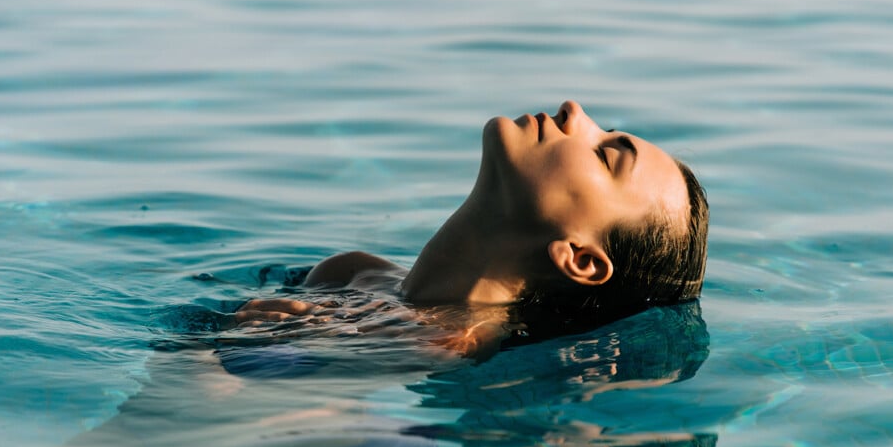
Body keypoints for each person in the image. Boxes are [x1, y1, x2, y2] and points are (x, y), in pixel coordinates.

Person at [233, 100, 708, 358]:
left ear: (579, 258)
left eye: (605, 155)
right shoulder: (350, 271)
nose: (573, 111)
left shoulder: (444, 345)